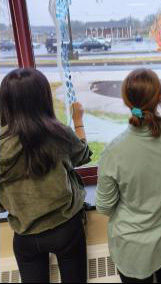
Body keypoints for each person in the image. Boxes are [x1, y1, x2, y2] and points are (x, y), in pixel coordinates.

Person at [95, 62, 161, 283]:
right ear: (160, 98)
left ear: (125, 102)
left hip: (133, 249)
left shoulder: (113, 152)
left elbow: (104, 207)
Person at [0, 68, 92, 283]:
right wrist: (78, 120)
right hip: (65, 226)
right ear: (43, 99)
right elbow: (82, 156)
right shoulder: (57, 133)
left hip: (24, 232)